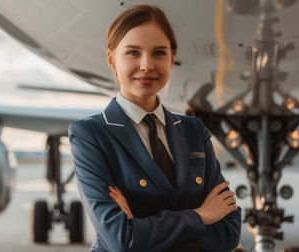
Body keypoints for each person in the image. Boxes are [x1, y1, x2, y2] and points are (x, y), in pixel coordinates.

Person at [69, 4, 241, 252]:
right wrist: (201, 216)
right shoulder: (91, 135)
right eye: (132, 53)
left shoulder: (193, 130)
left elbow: (228, 233)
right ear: (111, 59)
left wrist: (140, 229)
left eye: (159, 53)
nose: (147, 65)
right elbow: (121, 240)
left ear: (172, 58)